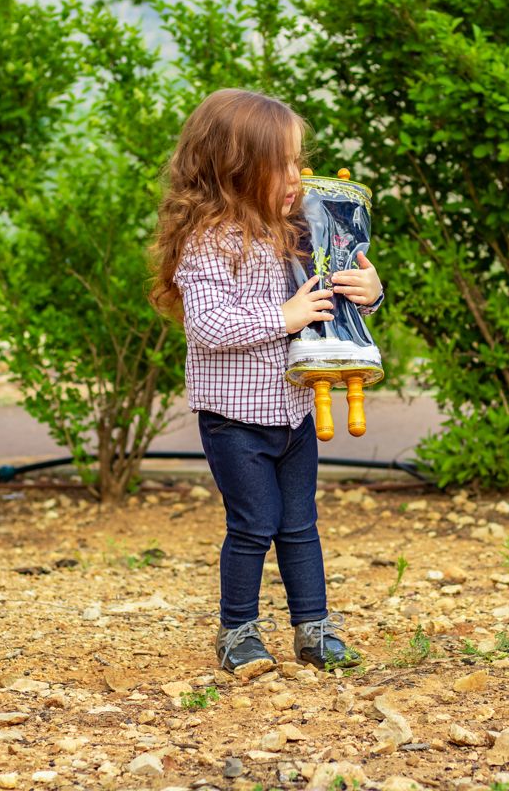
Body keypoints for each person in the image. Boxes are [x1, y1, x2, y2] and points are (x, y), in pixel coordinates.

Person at [149, 88, 384, 674]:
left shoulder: (299, 231)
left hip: (295, 409)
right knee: (254, 525)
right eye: (279, 164)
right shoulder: (208, 244)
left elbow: (332, 298)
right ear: (232, 171)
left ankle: (315, 629)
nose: (295, 176)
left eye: (297, 161)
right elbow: (207, 326)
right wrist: (284, 317)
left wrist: (369, 293)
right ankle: (238, 633)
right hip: (235, 419)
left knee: (300, 523)